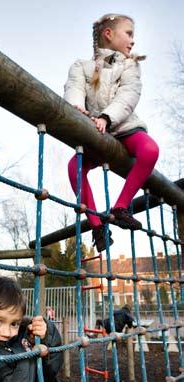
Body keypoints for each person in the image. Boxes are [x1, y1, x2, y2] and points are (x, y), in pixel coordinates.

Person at [64, 13, 159, 252]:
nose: (132, 40)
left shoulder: (130, 65)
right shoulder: (82, 67)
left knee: (150, 150)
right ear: (109, 34)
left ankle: (121, 206)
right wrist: (77, 109)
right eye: (129, 33)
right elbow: (74, 89)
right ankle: (97, 226)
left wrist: (107, 117)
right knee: (73, 168)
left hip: (124, 127)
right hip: (96, 132)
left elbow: (129, 95)